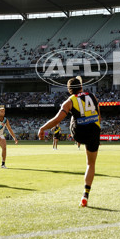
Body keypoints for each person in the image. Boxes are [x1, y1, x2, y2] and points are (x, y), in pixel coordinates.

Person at [38, 76, 101, 207]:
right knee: (90, 164)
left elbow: (57, 120)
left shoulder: (69, 101)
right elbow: (99, 116)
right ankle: (85, 194)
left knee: (73, 116)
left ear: (69, 90)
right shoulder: (93, 96)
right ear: (81, 87)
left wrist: (43, 128)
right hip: (94, 130)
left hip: (79, 133)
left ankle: (85, 194)